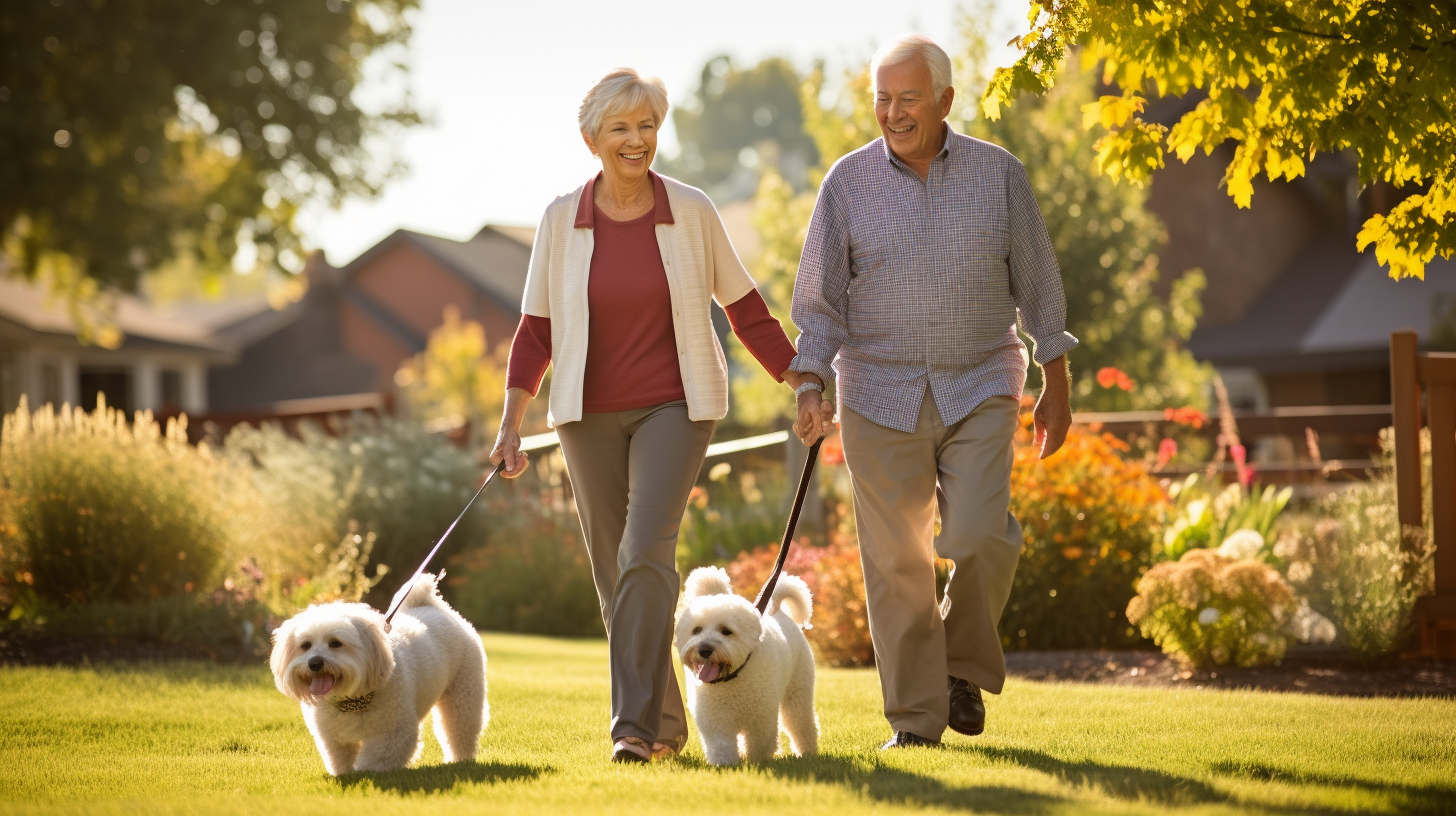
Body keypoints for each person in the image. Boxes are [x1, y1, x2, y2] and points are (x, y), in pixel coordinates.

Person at [489, 68, 825, 764]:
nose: (637, 140)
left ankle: (632, 730)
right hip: (584, 413)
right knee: (618, 579)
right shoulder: (562, 218)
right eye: (621, 128)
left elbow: (744, 308)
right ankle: (667, 727)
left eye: (647, 126)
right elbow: (536, 330)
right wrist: (511, 420)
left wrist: (800, 379)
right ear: (593, 139)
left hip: (677, 404)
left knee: (645, 554)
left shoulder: (691, 210)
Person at [788, 35, 1076, 749]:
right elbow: (819, 301)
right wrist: (810, 381)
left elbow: (1039, 285)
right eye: (882, 99)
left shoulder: (999, 175)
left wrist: (1057, 380)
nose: (892, 112)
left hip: (980, 379)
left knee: (980, 533)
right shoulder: (846, 183)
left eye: (907, 98)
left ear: (946, 100)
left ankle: (962, 666)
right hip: (877, 391)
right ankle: (917, 723)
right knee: (897, 564)